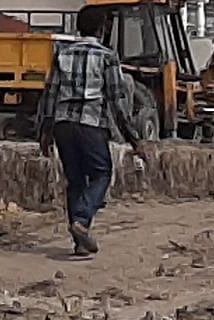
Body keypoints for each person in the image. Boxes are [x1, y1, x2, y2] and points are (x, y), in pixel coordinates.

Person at [40, 26, 157, 256]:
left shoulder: (62, 53)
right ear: (103, 30)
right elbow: (117, 101)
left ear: (78, 27)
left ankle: (80, 241)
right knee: (101, 173)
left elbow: (50, 94)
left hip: (63, 125)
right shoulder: (106, 56)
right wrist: (135, 140)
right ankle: (82, 220)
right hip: (91, 125)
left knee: (75, 180)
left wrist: (44, 132)